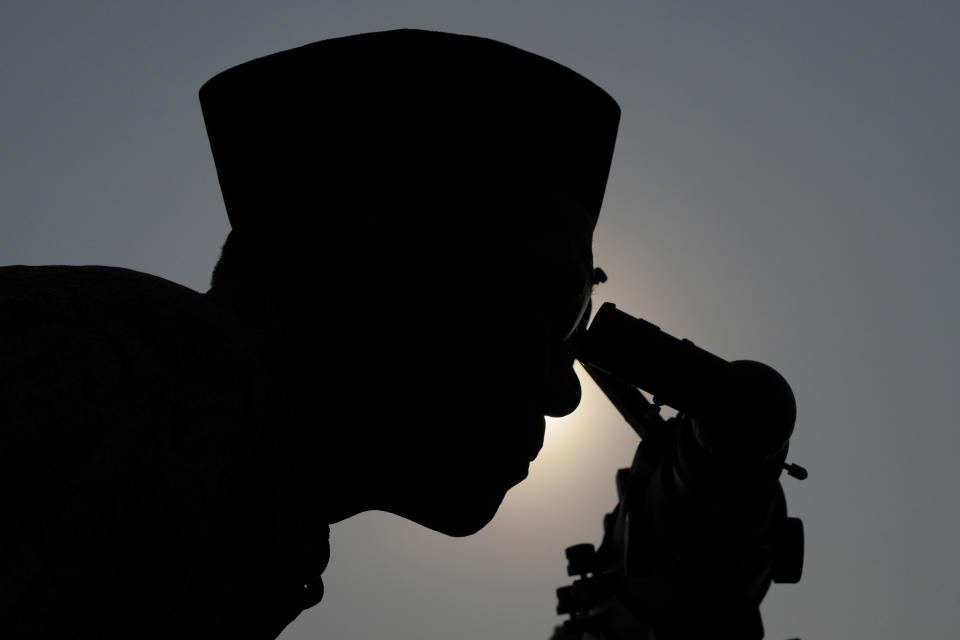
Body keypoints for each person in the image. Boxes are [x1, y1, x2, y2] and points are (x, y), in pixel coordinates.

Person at [0, 29, 620, 639]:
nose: (564, 395)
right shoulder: (99, 375)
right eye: (552, 306)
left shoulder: (249, 536)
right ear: (369, 266)